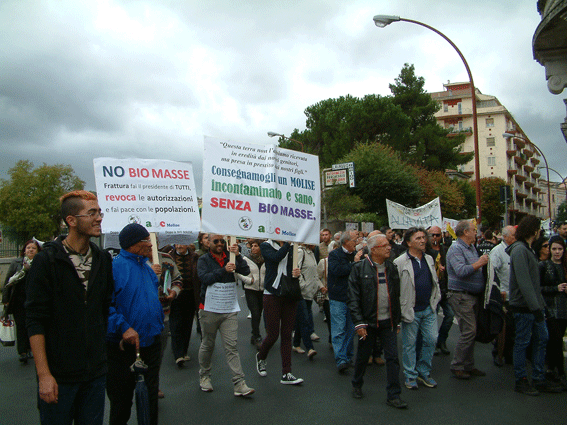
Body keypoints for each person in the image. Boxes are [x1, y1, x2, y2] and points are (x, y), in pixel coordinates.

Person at [25, 190, 114, 425]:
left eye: (99, 212)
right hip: (58, 377)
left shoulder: (103, 259)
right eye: (91, 213)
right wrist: (44, 375)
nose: (99, 218)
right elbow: (35, 319)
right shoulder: (47, 261)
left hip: (94, 374)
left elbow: (105, 308)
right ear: (71, 221)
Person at [106, 223, 173, 425]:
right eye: (147, 241)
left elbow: (152, 297)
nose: (151, 245)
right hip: (123, 347)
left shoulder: (147, 267)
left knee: (150, 397)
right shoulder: (114, 268)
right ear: (134, 244)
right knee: (122, 402)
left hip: (151, 342)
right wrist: (123, 327)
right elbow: (105, 306)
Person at [348, 234, 407, 408]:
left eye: (389, 245)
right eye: (385, 245)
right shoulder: (359, 269)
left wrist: (396, 321)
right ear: (374, 250)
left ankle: (394, 395)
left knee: (393, 358)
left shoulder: (391, 267)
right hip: (368, 322)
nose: (389, 247)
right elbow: (353, 298)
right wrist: (359, 323)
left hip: (387, 322)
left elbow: (395, 296)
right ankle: (357, 384)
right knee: (363, 356)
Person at [508, 215, 561, 395]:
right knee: (523, 343)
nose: (541, 232)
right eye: (539, 228)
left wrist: (540, 306)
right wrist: (536, 308)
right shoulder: (520, 251)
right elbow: (525, 284)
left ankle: (538, 378)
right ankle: (521, 380)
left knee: (541, 340)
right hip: (524, 308)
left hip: (534, 306)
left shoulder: (527, 249)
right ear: (533, 230)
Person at [196, 234, 254, 396]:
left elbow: (246, 270)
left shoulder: (231, 256)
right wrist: (224, 270)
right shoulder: (203, 260)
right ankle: (205, 376)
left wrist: (238, 255)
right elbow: (204, 278)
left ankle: (239, 382)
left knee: (232, 346)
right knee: (208, 344)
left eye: (223, 241)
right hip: (209, 309)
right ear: (209, 244)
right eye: (216, 241)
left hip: (228, 309)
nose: (220, 244)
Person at [395, 228, 441, 389]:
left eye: (423, 237)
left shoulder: (429, 258)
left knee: (431, 339)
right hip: (411, 310)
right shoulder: (400, 262)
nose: (423, 241)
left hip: (429, 308)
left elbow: (434, 281)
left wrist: (435, 300)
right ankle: (410, 375)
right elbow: (396, 288)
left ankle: (423, 371)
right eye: (418, 238)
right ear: (408, 242)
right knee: (410, 344)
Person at [256, 239, 303, 385]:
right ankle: (261, 356)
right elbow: (276, 258)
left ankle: (287, 372)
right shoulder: (266, 246)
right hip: (272, 294)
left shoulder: (295, 248)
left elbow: (293, 268)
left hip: (289, 292)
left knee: (287, 334)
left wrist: (297, 272)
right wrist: (288, 244)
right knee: (273, 334)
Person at [446, 220, 488, 379]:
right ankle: (457, 365)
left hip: (471, 295)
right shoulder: (456, 249)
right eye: (473, 230)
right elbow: (461, 271)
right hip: (461, 295)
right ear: (465, 232)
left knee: (470, 331)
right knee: (469, 331)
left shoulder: (470, 248)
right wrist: (480, 263)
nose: (476, 232)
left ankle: (468, 365)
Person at [328, 230, 363, 373]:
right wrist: (354, 264)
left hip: (353, 298)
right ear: (346, 242)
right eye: (355, 240)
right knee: (338, 329)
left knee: (350, 329)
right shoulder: (334, 255)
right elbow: (337, 270)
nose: (357, 242)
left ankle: (348, 357)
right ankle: (341, 359)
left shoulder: (356, 255)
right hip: (338, 297)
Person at [3, 239, 41, 364]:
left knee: (31, 325)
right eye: (28, 248)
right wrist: (6, 300)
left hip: (34, 300)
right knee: (21, 326)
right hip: (18, 300)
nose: (30, 250)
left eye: (33, 248)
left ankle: (31, 348)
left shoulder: (40, 263)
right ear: (24, 250)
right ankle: (23, 351)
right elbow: (8, 282)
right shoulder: (16, 263)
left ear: (38, 251)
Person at [539, 236, 567, 389]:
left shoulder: (565, 266)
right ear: (549, 249)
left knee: (558, 340)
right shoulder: (543, 265)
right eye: (554, 249)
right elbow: (538, 288)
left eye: (560, 249)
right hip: (549, 309)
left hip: (564, 309)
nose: (557, 252)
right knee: (555, 340)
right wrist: (555, 288)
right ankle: (558, 371)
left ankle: (552, 369)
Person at [166, 244, 200, 368]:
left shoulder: (195, 256)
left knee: (187, 323)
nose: (179, 246)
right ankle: (178, 354)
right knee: (175, 324)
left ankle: (184, 350)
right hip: (175, 294)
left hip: (190, 293)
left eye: (182, 243)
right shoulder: (169, 256)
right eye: (177, 243)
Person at [488, 225, 516, 366]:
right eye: (513, 235)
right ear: (505, 237)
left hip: (515, 296)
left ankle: (509, 354)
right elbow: (492, 272)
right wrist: (498, 291)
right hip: (503, 295)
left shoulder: (516, 249)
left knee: (513, 329)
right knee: (503, 328)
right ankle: (498, 353)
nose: (516, 237)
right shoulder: (497, 251)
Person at [292, 244, 325, 359]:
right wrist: (303, 285)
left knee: (300, 319)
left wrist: (319, 286)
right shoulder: (301, 252)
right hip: (302, 292)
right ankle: (309, 348)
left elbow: (315, 274)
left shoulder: (311, 253)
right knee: (305, 319)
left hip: (309, 292)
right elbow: (296, 269)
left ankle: (296, 344)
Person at [426, 225, 453, 356]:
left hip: (444, 287)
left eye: (437, 235)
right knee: (433, 317)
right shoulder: (425, 251)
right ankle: (433, 342)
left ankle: (442, 340)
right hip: (432, 288)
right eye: (433, 235)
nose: (435, 237)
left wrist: (445, 269)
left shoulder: (445, 249)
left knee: (450, 315)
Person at [237, 240, 265, 349]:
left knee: (259, 312)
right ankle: (257, 336)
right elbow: (238, 272)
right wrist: (248, 281)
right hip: (250, 289)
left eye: (256, 246)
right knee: (255, 312)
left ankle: (254, 333)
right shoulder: (246, 259)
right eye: (252, 246)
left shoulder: (265, 260)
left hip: (262, 290)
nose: (253, 248)